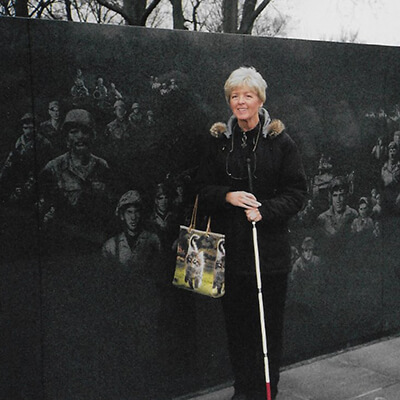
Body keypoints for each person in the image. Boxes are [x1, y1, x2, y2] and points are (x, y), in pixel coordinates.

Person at [195, 66, 307, 400]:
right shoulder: (219, 142)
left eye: (248, 95)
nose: (240, 102)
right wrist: (227, 195)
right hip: (230, 254)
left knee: (268, 328)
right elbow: (200, 188)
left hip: (269, 256)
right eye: (234, 96)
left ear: (260, 99)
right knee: (238, 328)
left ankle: (266, 391)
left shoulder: (280, 142)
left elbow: (297, 192)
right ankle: (243, 390)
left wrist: (266, 210)